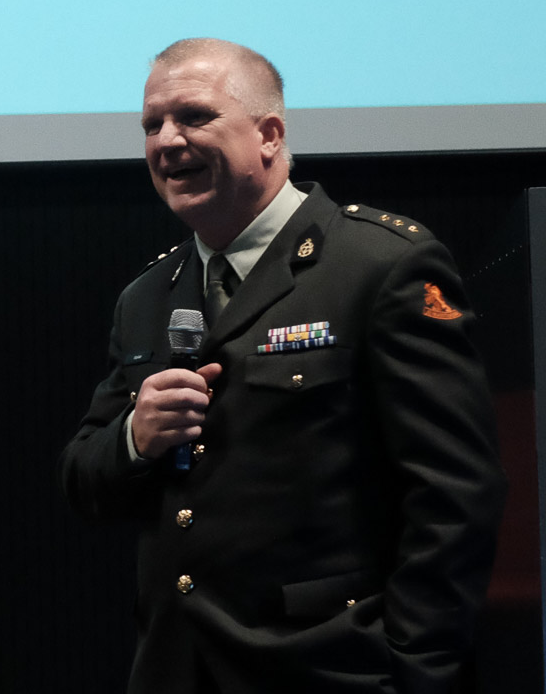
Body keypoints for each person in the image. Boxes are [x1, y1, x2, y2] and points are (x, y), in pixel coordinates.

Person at [59, 38, 504, 694]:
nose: (167, 141)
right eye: (152, 125)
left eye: (194, 116)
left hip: (335, 669)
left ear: (269, 135)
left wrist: (416, 671)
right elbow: (83, 479)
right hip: (177, 670)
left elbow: (455, 495)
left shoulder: (378, 265)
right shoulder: (148, 297)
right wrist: (136, 438)